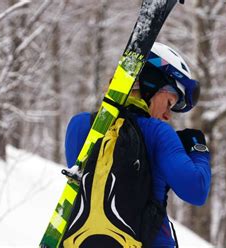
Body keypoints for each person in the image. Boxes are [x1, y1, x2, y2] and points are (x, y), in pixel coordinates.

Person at [63, 42, 212, 247]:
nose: (168, 116)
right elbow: (196, 190)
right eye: (169, 103)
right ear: (151, 85)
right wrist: (198, 149)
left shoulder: (79, 125)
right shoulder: (158, 133)